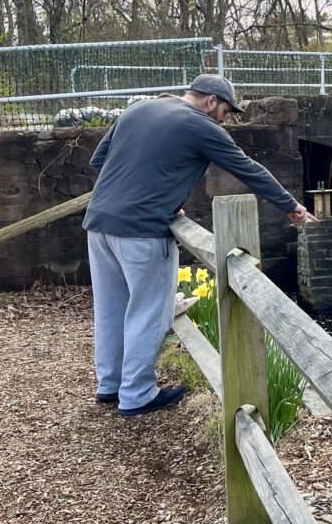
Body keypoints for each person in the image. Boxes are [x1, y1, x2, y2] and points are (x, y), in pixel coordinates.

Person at [84, 74, 316, 417]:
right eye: (226, 110)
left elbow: (98, 162)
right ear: (211, 101)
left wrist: (146, 190)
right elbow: (247, 169)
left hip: (99, 224)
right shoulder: (200, 126)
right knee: (150, 310)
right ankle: (137, 394)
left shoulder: (137, 110)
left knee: (111, 308)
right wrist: (292, 206)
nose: (227, 118)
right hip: (144, 231)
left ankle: (110, 385)